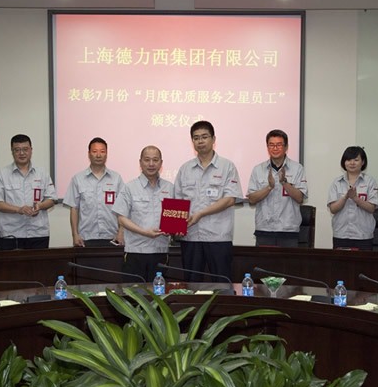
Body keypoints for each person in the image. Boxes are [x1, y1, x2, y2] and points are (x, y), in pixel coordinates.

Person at [174, 120, 243, 281]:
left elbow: (230, 199)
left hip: (218, 237)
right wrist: (176, 227)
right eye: (196, 138)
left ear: (213, 139)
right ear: (192, 141)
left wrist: (201, 214)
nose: (200, 141)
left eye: (204, 137)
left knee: (221, 284)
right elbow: (177, 201)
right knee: (191, 284)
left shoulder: (227, 166)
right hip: (191, 237)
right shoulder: (185, 169)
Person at [112, 146, 174, 280]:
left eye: (155, 160)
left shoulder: (170, 188)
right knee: (134, 292)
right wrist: (144, 232)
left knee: (159, 291)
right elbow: (121, 218)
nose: (151, 164)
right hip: (135, 252)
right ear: (140, 162)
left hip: (160, 252)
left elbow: (175, 219)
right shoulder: (129, 187)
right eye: (147, 160)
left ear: (161, 163)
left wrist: (172, 229)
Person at [0, 134, 57, 250]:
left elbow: (52, 199)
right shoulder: (2, 175)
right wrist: (19, 209)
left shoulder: (42, 173)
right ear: (12, 152)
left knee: (39, 263)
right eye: (17, 150)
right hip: (12, 234)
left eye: (25, 149)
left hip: (38, 233)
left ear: (31, 150)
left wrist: (40, 206)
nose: (22, 153)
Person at [247, 129, 308, 247]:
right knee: (262, 260)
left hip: (288, 230)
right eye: (271, 145)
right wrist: (269, 187)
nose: (275, 148)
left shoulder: (297, 168)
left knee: (288, 260)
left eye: (279, 145)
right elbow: (251, 199)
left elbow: (300, 198)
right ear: (267, 147)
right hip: (264, 229)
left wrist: (284, 183)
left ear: (286, 147)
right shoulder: (258, 169)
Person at [64, 137, 124, 247]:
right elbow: (74, 209)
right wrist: (75, 235)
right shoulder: (78, 179)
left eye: (102, 151)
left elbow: (123, 208)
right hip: (85, 237)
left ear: (106, 154)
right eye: (95, 151)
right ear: (89, 154)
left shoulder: (116, 178)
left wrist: (121, 232)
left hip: (112, 237)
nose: (98, 155)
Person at [327, 146, 378, 250]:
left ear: (363, 162)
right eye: (348, 160)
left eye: (356, 160)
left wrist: (355, 198)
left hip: (363, 235)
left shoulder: (370, 182)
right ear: (344, 162)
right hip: (341, 234)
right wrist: (346, 197)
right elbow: (333, 209)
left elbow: (372, 208)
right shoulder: (337, 183)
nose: (352, 163)